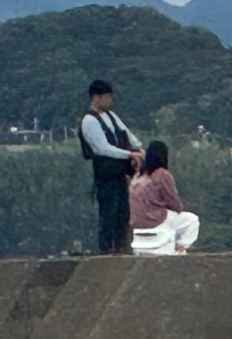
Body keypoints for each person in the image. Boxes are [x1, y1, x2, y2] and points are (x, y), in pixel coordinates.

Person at [79, 79, 142, 254]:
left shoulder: (111, 116)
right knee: (109, 215)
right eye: (106, 97)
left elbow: (127, 135)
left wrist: (138, 149)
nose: (109, 101)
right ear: (96, 97)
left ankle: (123, 248)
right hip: (105, 175)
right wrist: (129, 154)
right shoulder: (89, 121)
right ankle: (107, 251)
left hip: (120, 174)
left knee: (123, 214)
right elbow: (102, 148)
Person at [128, 142, 199, 255]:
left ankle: (176, 245)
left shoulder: (138, 175)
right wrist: (178, 208)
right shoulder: (162, 174)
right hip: (156, 219)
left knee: (180, 222)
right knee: (192, 220)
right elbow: (172, 200)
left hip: (136, 221)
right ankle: (179, 248)